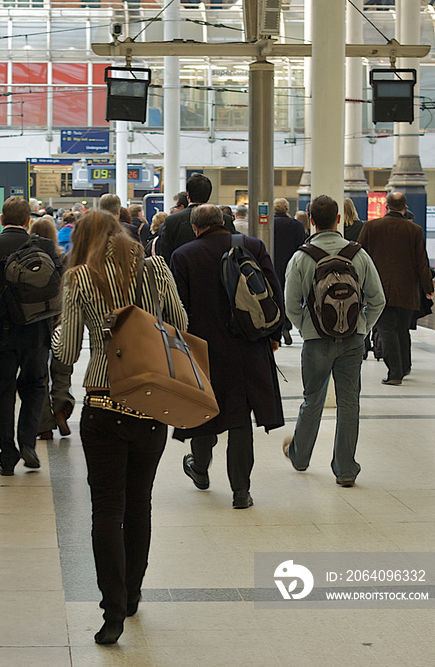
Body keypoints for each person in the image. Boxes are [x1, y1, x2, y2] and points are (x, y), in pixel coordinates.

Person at [52, 210, 187, 645]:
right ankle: (132, 593)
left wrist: (59, 333)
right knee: (139, 503)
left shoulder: (79, 279)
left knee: (106, 509)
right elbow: (181, 326)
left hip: (103, 405)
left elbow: (68, 351)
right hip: (150, 405)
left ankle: (112, 614)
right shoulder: (156, 267)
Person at [169, 204, 285, 509]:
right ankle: (240, 492)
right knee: (240, 421)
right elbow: (273, 292)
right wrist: (273, 336)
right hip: (248, 346)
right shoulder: (252, 247)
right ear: (223, 222)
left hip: (204, 351)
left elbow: (178, 310)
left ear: (196, 228)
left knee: (205, 411)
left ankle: (201, 468)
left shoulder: (183, 256)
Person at [283, 195, 385, 486]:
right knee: (349, 403)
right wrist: (362, 326)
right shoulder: (358, 255)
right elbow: (378, 300)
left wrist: (307, 328)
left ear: (311, 220)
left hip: (316, 341)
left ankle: (300, 457)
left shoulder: (302, 257)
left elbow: (291, 304)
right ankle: (346, 470)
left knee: (312, 400)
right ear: (339, 219)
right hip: (353, 340)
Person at [0, 196, 64, 475]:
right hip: (36, 333)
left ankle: (7, 454)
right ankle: (28, 445)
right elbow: (57, 283)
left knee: (2, 394)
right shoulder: (43, 246)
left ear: (0, 219)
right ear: (28, 220)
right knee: (34, 388)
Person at [357, 192, 434, 385]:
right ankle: (405, 366)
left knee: (386, 329)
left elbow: (360, 257)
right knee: (402, 329)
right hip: (406, 290)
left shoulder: (370, 227)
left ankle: (395, 372)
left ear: (386, 206)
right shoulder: (414, 230)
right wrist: (428, 287)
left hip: (378, 288)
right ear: (404, 207)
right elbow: (421, 262)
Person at [31, 216, 75, 440]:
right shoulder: (63, 258)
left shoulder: (26, 258)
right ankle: (61, 410)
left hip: (34, 322)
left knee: (39, 374)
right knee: (62, 367)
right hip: (60, 318)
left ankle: (44, 425)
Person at [156, 173, 237, 264]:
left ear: (188, 195)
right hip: (219, 275)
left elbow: (164, 257)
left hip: (181, 274)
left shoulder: (172, 221)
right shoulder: (225, 219)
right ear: (208, 194)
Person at [273, 197, 306, 346]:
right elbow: (301, 246)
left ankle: (278, 328)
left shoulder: (269, 224)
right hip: (291, 264)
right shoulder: (296, 225)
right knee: (291, 295)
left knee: (275, 296)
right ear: (287, 209)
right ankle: (288, 324)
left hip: (273, 265)